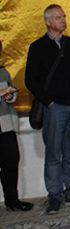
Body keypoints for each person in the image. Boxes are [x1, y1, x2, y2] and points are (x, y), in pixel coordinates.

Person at [25, 4, 70, 215]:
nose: (62, 20)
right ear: (48, 21)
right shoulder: (37, 47)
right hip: (55, 109)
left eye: (63, 16)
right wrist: (48, 102)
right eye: (57, 17)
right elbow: (31, 80)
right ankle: (55, 194)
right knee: (54, 153)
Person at [0, 41, 33, 211]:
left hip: (5, 124)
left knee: (11, 161)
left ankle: (12, 200)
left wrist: (10, 95)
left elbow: (11, 89)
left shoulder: (2, 70)